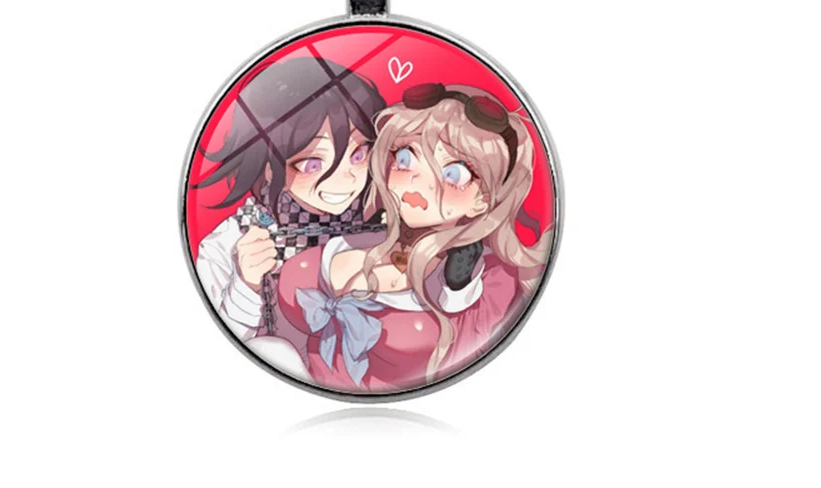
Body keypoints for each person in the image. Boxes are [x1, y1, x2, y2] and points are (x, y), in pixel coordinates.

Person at [275, 83, 553, 391]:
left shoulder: (482, 281)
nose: (417, 183)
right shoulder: (349, 243)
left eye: (454, 174)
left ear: (482, 200)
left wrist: (458, 289)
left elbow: (469, 362)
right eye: (406, 159)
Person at [191, 56, 385, 380]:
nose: (346, 178)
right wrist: (246, 284)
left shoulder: (382, 221)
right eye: (312, 164)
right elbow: (217, 350)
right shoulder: (233, 242)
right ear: (269, 166)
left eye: (358, 155)